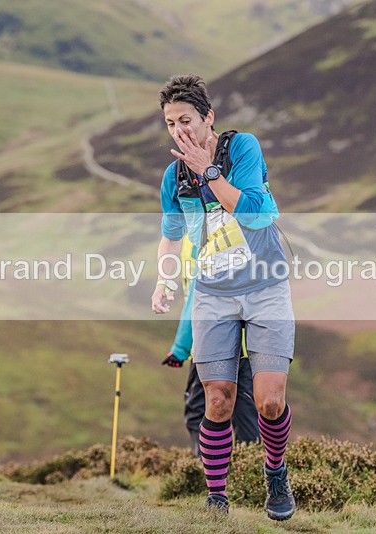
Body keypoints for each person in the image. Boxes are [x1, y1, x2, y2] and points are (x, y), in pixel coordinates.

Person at [151, 74, 296, 520]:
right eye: (171, 123)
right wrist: (166, 280)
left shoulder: (243, 149)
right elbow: (171, 237)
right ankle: (217, 498)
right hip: (212, 295)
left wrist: (209, 172)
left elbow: (254, 213)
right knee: (217, 400)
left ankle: (276, 475)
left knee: (270, 399)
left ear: (208, 118)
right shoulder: (172, 178)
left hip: (266, 288)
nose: (180, 131)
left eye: (187, 120)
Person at [161, 235, 260, 455]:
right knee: (245, 414)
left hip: (211, 341)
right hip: (246, 344)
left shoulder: (202, 232)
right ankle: (250, 474)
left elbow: (198, 293)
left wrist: (180, 348)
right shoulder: (235, 226)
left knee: (199, 412)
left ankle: (206, 474)